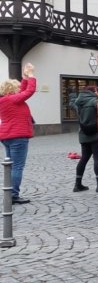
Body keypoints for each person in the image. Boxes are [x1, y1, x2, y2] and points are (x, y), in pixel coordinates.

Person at [0, 62, 37, 204]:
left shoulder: (5, 99)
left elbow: (23, 90)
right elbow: (29, 92)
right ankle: (13, 195)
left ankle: (9, 192)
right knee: (17, 166)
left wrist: (25, 77)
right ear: (11, 89)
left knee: (10, 165)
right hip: (18, 136)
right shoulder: (12, 99)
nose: (18, 89)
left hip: (7, 136)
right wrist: (32, 76)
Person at [72, 85, 98, 193]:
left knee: (84, 158)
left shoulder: (78, 102)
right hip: (95, 133)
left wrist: (71, 94)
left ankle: (77, 184)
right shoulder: (94, 101)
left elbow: (71, 103)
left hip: (83, 134)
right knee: (97, 158)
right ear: (95, 91)